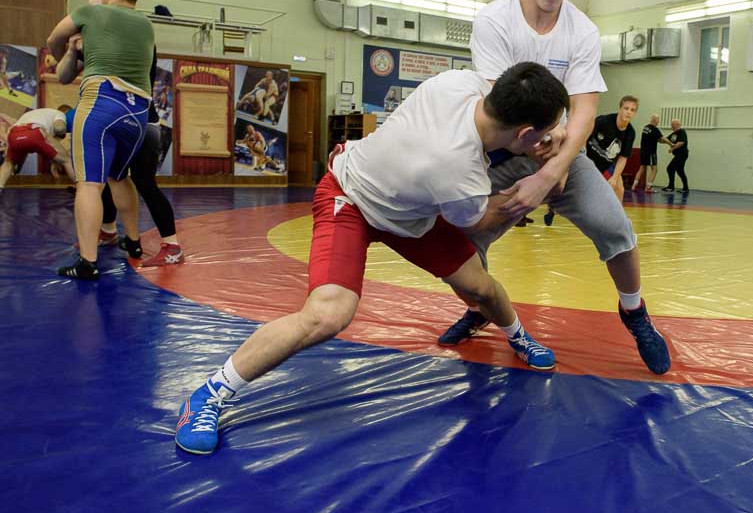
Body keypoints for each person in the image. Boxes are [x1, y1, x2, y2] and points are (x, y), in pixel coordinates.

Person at [174, 62, 569, 455]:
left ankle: (518, 335)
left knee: (479, 285)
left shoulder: (460, 82)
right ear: (525, 133)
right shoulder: (457, 169)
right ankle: (209, 394)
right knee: (327, 315)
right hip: (351, 199)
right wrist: (535, 187)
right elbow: (482, 218)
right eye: (544, 133)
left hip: (408, 212)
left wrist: (554, 129)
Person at [435, 0, 669, 375]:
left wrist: (553, 169)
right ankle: (482, 305)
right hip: (502, 150)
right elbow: (501, 106)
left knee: (615, 227)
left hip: (559, 153)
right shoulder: (494, 21)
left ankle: (634, 311)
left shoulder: (581, 30)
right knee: (460, 238)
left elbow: (584, 108)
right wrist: (547, 141)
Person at [46, 0, 154, 280]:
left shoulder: (91, 12)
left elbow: (52, 38)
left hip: (101, 101)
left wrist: (66, 51)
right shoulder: (146, 25)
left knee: (90, 184)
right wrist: (79, 53)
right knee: (120, 177)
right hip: (137, 113)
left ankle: (88, 262)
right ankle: (133, 242)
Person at [0, 108, 75, 191]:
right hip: (35, 132)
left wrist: (54, 160)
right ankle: (80, 188)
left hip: (14, 134)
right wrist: (62, 133)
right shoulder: (60, 114)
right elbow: (59, 128)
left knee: (8, 163)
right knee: (67, 160)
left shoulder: (33, 114)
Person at [584, 95, 638, 203]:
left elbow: (623, 158)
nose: (628, 112)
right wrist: (582, 159)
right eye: (626, 108)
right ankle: (553, 208)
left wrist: (614, 178)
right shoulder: (603, 121)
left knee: (619, 188)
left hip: (606, 165)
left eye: (632, 110)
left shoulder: (630, 133)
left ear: (635, 113)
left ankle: (618, 219)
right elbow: (584, 136)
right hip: (587, 159)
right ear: (620, 109)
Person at [632, 113, 669, 193]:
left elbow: (658, 140)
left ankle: (634, 185)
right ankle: (648, 187)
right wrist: (671, 144)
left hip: (643, 151)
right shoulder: (654, 129)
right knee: (654, 169)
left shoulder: (646, 127)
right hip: (651, 152)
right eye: (658, 120)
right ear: (654, 120)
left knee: (642, 168)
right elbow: (663, 139)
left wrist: (665, 142)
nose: (658, 122)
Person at [665, 119, 689, 193]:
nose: (671, 126)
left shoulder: (682, 132)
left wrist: (672, 148)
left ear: (677, 125)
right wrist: (658, 138)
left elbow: (681, 142)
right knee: (680, 171)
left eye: (673, 124)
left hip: (682, 154)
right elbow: (666, 139)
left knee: (670, 168)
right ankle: (685, 188)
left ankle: (671, 186)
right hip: (678, 155)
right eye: (671, 124)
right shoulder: (673, 134)